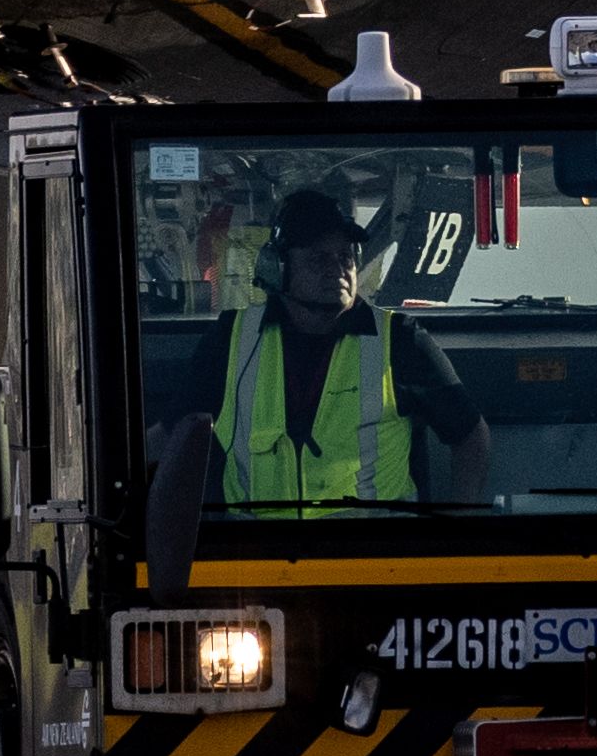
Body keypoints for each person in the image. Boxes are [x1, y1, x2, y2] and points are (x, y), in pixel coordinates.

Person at [162, 176, 421, 516]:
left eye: (346, 257)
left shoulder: (397, 337)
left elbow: (471, 435)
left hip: (370, 557)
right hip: (256, 555)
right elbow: (171, 435)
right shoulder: (232, 338)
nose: (338, 270)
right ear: (277, 269)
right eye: (318, 260)